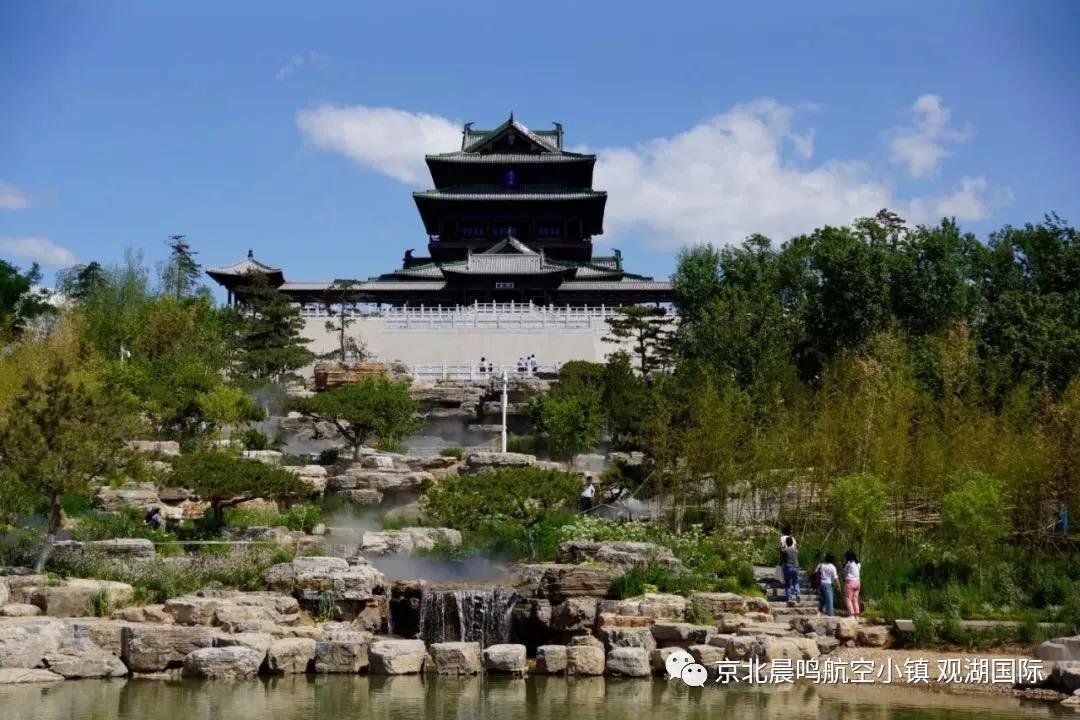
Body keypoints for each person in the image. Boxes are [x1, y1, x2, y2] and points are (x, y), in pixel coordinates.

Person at [843, 550, 861, 618]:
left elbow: (845, 572)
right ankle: (857, 615)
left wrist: (844, 566)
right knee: (855, 599)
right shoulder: (858, 564)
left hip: (850, 582)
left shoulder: (848, 564)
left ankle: (851, 615)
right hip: (858, 582)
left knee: (848, 599)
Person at [781, 536, 800, 601]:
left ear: (786, 543)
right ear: (792, 543)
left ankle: (789, 598)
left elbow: (783, 559)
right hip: (796, 568)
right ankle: (797, 594)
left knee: (787, 583)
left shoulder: (784, 551)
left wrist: (782, 547)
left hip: (788, 567)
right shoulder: (796, 551)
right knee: (795, 582)